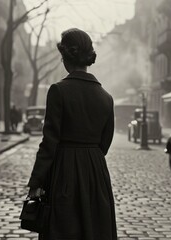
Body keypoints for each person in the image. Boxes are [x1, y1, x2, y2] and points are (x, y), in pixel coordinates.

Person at [27, 28, 117, 240]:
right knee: (95, 229)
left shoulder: (58, 91)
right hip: (96, 172)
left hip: (64, 171)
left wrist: (36, 182)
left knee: (64, 228)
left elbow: (49, 143)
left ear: (65, 57)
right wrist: (89, 157)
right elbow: (105, 142)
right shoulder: (106, 97)